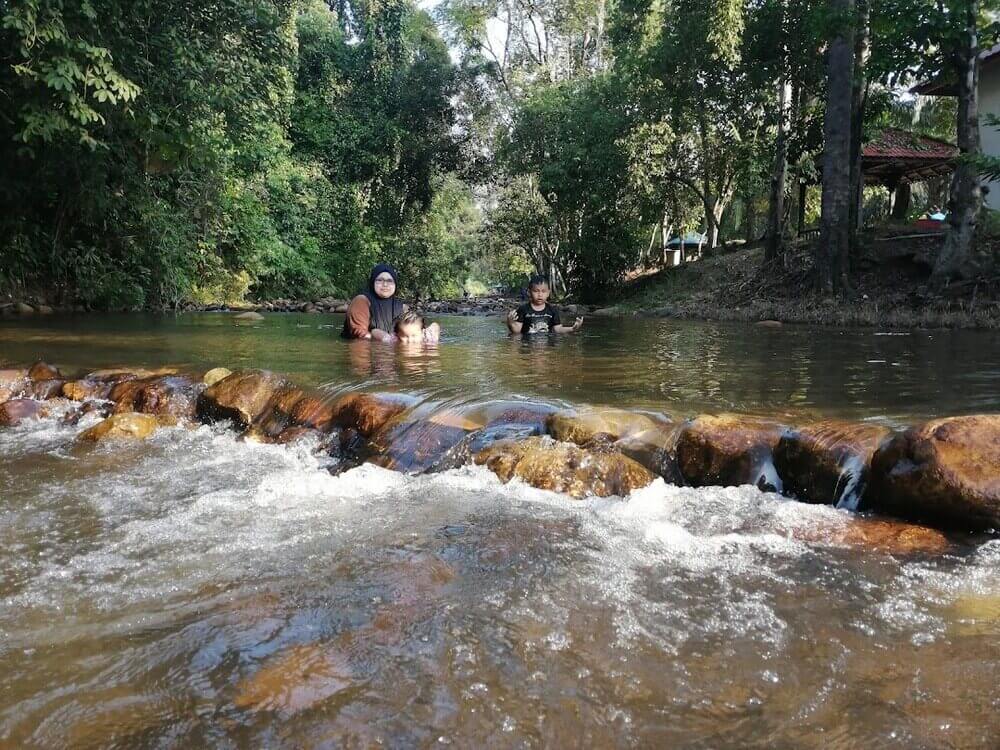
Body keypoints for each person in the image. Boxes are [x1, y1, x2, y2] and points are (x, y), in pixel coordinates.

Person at [342, 263, 440, 342]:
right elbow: (359, 334)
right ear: (372, 282)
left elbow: (417, 329)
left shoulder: (401, 307)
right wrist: (383, 338)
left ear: (395, 284)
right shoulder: (361, 301)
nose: (385, 284)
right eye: (380, 280)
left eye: (389, 281)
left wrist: (435, 327)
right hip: (365, 350)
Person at [506, 275, 583, 335]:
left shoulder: (552, 310)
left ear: (548, 293)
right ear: (529, 292)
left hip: (547, 346)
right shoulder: (523, 309)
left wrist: (572, 328)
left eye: (543, 291)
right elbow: (517, 331)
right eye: (536, 291)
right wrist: (510, 323)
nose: (540, 294)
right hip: (527, 345)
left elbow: (558, 329)